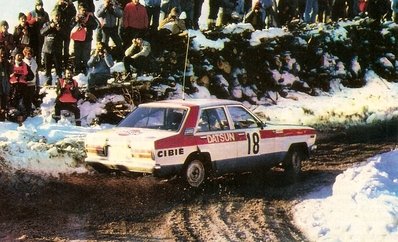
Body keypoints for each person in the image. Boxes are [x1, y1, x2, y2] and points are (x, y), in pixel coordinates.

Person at [72, 3, 99, 74]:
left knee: (86, 56)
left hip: (87, 39)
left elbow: (95, 25)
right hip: (77, 40)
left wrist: (86, 24)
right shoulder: (75, 17)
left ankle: (85, 70)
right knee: (77, 56)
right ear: (79, 10)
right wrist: (76, 22)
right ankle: (77, 70)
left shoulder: (90, 17)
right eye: (82, 10)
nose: (83, 12)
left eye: (85, 10)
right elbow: (70, 26)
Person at [9, 53, 34, 123]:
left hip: (23, 86)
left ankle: (23, 115)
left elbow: (31, 76)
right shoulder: (10, 65)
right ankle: (13, 115)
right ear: (15, 57)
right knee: (13, 101)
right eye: (18, 56)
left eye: (20, 57)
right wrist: (12, 75)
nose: (19, 58)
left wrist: (25, 77)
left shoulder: (25, 65)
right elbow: (6, 75)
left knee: (23, 102)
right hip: (13, 86)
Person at [41, 10, 64, 86]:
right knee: (47, 66)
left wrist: (60, 30)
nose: (57, 17)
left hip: (57, 49)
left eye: (59, 16)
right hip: (47, 49)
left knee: (58, 66)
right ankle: (48, 78)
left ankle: (59, 79)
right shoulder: (46, 24)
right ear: (52, 16)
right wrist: (50, 27)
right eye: (56, 15)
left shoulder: (62, 24)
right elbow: (42, 32)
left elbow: (66, 35)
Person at [52, 0, 76, 69]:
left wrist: (70, 5)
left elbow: (74, 13)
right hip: (59, 28)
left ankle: (66, 64)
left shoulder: (70, 5)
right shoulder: (58, 5)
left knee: (66, 48)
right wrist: (58, 5)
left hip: (67, 28)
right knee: (59, 47)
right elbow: (54, 13)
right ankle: (58, 64)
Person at [26, 0, 50, 67]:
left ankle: (39, 65)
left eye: (41, 5)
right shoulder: (31, 13)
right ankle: (32, 65)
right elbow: (27, 22)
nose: (40, 7)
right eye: (38, 5)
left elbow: (48, 23)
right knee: (33, 50)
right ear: (36, 6)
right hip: (33, 35)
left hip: (42, 34)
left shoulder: (45, 14)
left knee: (40, 50)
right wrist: (34, 20)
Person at [22, 47, 38, 116]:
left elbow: (36, 74)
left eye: (30, 53)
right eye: (27, 53)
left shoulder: (34, 62)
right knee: (25, 99)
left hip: (32, 83)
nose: (29, 55)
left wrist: (38, 84)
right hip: (25, 84)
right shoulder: (22, 62)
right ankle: (25, 112)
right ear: (25, 54)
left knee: (30, 98)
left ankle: (29, 112)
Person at [0, 46, 11, 120]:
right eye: (1, 54)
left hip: (5, 84)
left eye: (4, 54)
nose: (2, 55)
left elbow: (8, 74)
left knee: (4, 101)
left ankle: (2, 117)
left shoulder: (6, 63)